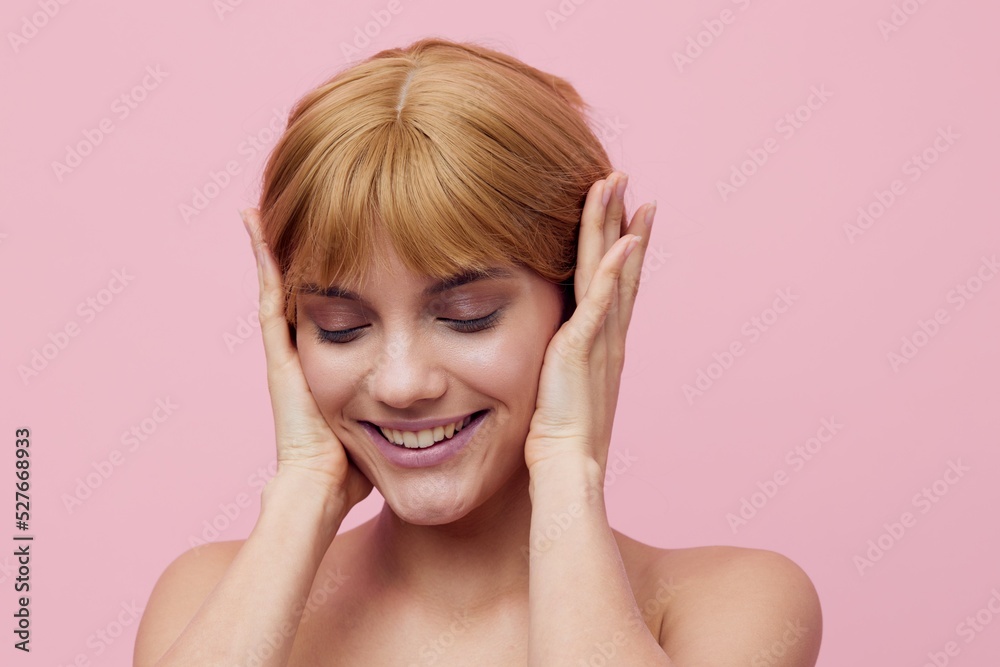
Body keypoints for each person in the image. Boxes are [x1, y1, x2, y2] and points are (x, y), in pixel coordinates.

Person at [133, 37, 822, 666]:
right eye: (341, 326)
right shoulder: (208, 597)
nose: (402, 383)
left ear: (580, 304)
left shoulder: (727, 604)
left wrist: (566, 463)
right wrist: (304, 488)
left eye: (467, 316)